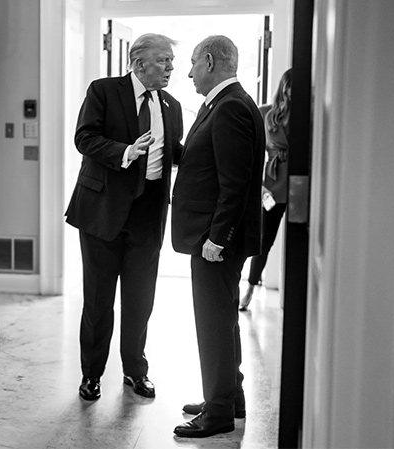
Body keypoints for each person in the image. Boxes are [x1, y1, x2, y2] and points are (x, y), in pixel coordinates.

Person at [65, 33, 183, 401]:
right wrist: (126, 151)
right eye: (164, 60)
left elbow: (175, 152)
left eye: (171, 61)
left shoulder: (172, 105)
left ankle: (135, 371)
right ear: (138, 63)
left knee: (140, 300)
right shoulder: (103, 91)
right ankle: (91, 375)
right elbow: (84, 138)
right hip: (103, 211)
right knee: (98, 302)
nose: (171, 67)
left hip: (149, 214)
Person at [170, 35, 265, 438]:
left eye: (193, 63)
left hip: (217, 243)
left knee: (213, 326)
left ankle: (219, 413)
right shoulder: (224, 104)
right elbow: (205, 161)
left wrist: (218, 239)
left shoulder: (230, 108)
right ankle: (228, 398)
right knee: (222, 322)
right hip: (214, 238)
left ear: (209, 62)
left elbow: (235, 182)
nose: (189, 73)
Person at [239, 68, 292, 311]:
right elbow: (253, 154)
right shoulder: (265, 113)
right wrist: (259, 186)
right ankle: (250, 286)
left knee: (299, 239)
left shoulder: (309, 114)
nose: (292, 92)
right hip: (272, 183)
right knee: (263, 240)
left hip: (301, 183)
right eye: (289, 87)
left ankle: (295, 294)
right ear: (283, 87)